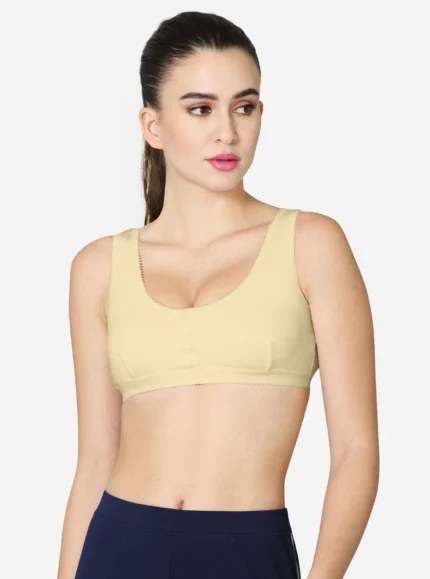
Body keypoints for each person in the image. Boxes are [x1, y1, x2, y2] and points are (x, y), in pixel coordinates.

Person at [57, 10, 379, 579]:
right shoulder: (98, 267)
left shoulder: (311, 244)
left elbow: (356, 450)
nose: (227, 132)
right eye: (200, 109)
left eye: (244, 107)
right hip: (118, 546)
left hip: (246, 551)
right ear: (153, 126)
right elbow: (94, 463)